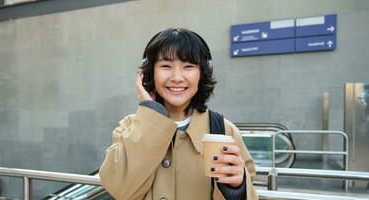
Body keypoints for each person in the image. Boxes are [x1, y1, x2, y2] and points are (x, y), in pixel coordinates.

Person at [99, 28, 258, 200]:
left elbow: (249, 191)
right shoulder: (129, 126)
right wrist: (151, 113)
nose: (177, 77)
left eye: (188, 67)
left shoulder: (224, 129)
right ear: (149, 72)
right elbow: (121, 190)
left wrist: (236, 188)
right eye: (166, 66)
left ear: (202, 73)